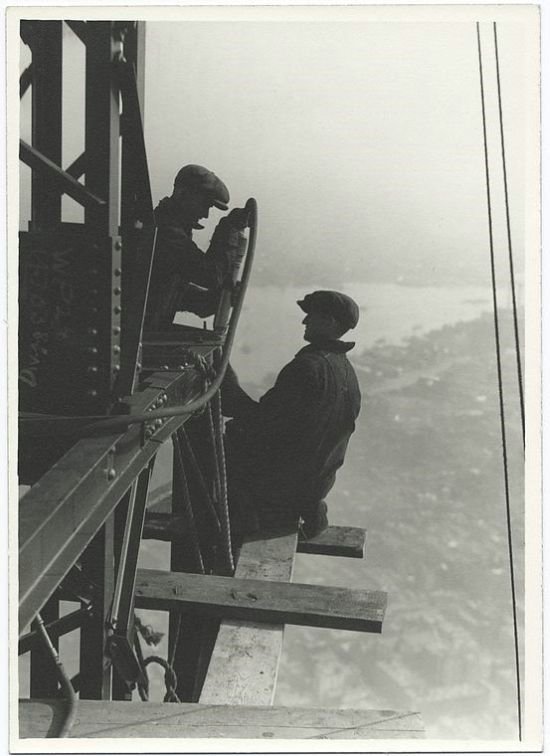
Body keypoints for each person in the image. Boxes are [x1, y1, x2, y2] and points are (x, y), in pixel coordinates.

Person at [222, 290, 362, 539]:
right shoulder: (346, 372)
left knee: (230, 436)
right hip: (314, 486)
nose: (304, 321)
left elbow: (260, 423)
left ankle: (239, 518)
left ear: (329, 322)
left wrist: (226, 381)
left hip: (283, 487)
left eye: (311, 316)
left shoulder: (307, 368)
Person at [145, 164, 250, 329]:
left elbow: (179, 296)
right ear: (183, 193)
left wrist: (219, 298)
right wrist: (228, 230)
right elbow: (211, 275)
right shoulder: (165, 233)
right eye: (205, 204)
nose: (205, 215)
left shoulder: (165, 227)